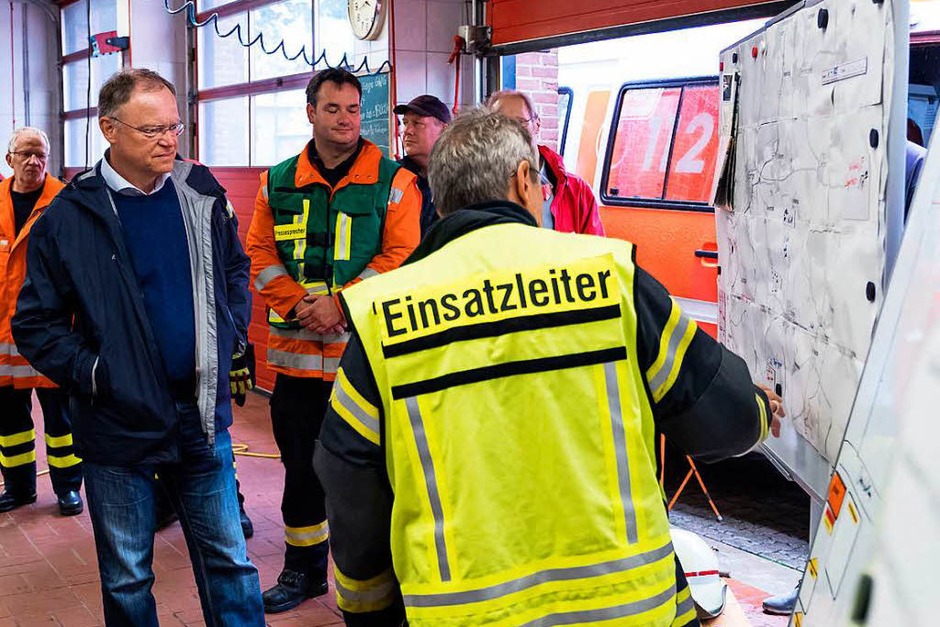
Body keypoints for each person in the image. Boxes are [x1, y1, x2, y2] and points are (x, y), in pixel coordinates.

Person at [313, 108, 785, 626]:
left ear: (441, 200)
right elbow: (723, 417)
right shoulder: (609, 277)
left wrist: (369, 609)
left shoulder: (384, 312)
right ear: (523, 180)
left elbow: (348, 478)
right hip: (626, 612)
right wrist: (758, 408)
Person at [12, 68, 264, 626]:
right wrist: (98, 374)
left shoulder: (200, 192)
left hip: (201, 416)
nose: (169, 140)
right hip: (117, 424)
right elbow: (35, 323)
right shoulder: (70, 216)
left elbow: (234, 269)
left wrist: (229, 332)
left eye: (174, 127)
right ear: (109, 129)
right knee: (127, 577)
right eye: (152, 130)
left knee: (231, 564)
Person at [246, 67, 421, 614]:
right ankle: (303, 572)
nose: (345, 120)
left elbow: (402, 257)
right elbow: (259, 252)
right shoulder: (276, 181)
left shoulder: (396, 182)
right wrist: (299, 303)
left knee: (377, 477)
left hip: (366, 366)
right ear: (310, 112)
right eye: (332, 109)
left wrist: (341, 305)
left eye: (353, 109)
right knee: (301, 474)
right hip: (296, 367)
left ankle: (385, 581)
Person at [0, 127, 83, 516]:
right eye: (26, 154)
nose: (34, 162)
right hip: (4, 336)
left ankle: (68, 488)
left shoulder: (65, 202)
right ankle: (19, 488)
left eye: (41, 155)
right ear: (10, 159)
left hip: (53, 333)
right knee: (9, 421)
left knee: (61, 418)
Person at [488, 89, 606, 236]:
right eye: (501, 124)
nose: (512, 131)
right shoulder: (480, 191)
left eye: (520, 122)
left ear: (537, 124)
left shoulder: (578, 193)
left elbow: (596, 247)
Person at [393, 94, 451, 236]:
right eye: (405, 123)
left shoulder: (462, 177)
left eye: (417, 123)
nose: (407, 131)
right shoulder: (393, 175)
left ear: (444, 130)